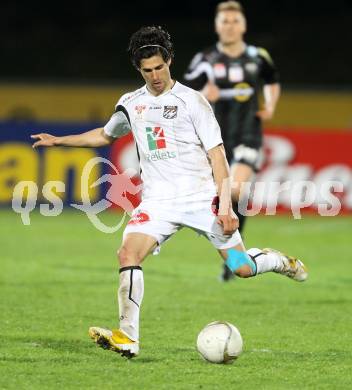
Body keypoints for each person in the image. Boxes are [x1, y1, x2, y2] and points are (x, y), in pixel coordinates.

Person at [31, 26, 306, 359]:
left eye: (160, 67)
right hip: (158, 203)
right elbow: (105, 136)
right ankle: (128, 338)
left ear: (169, 61)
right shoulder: (131, 103)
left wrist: (225, 206)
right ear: (139, 70)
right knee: (127, 254)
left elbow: (217, 155)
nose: (155, 75)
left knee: (241, 267)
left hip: (201, 199)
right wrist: (60, 140)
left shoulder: (193, 101)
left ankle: (278, 261)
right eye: (147, 70)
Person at [183, 1, 281, 281]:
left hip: (249, 134)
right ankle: (236, 259)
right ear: (217, 26)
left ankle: (236, 259)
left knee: (235, 191)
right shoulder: (205, 58)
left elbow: (272, 79)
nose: (229, 26)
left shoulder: (257, 56)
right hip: (215, 141)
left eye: (234, 21)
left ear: (243, 25)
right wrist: (203, 92)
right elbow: (183, 92)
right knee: (221, 198)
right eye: (224, 21)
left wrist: (271, 104)